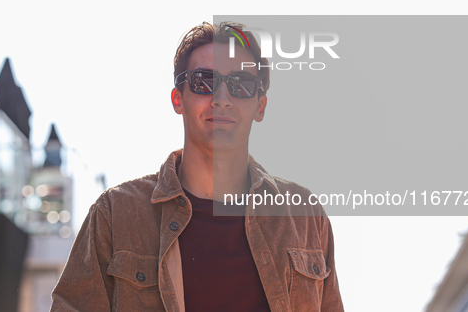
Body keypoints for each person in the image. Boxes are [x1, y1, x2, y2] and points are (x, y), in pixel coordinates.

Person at [50, 22, 344, 312]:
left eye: (241, 85)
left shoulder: (304, 215)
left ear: (260, 106)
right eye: (204, 81)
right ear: (178, 99)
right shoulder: (116, 214)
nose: (222, 99)